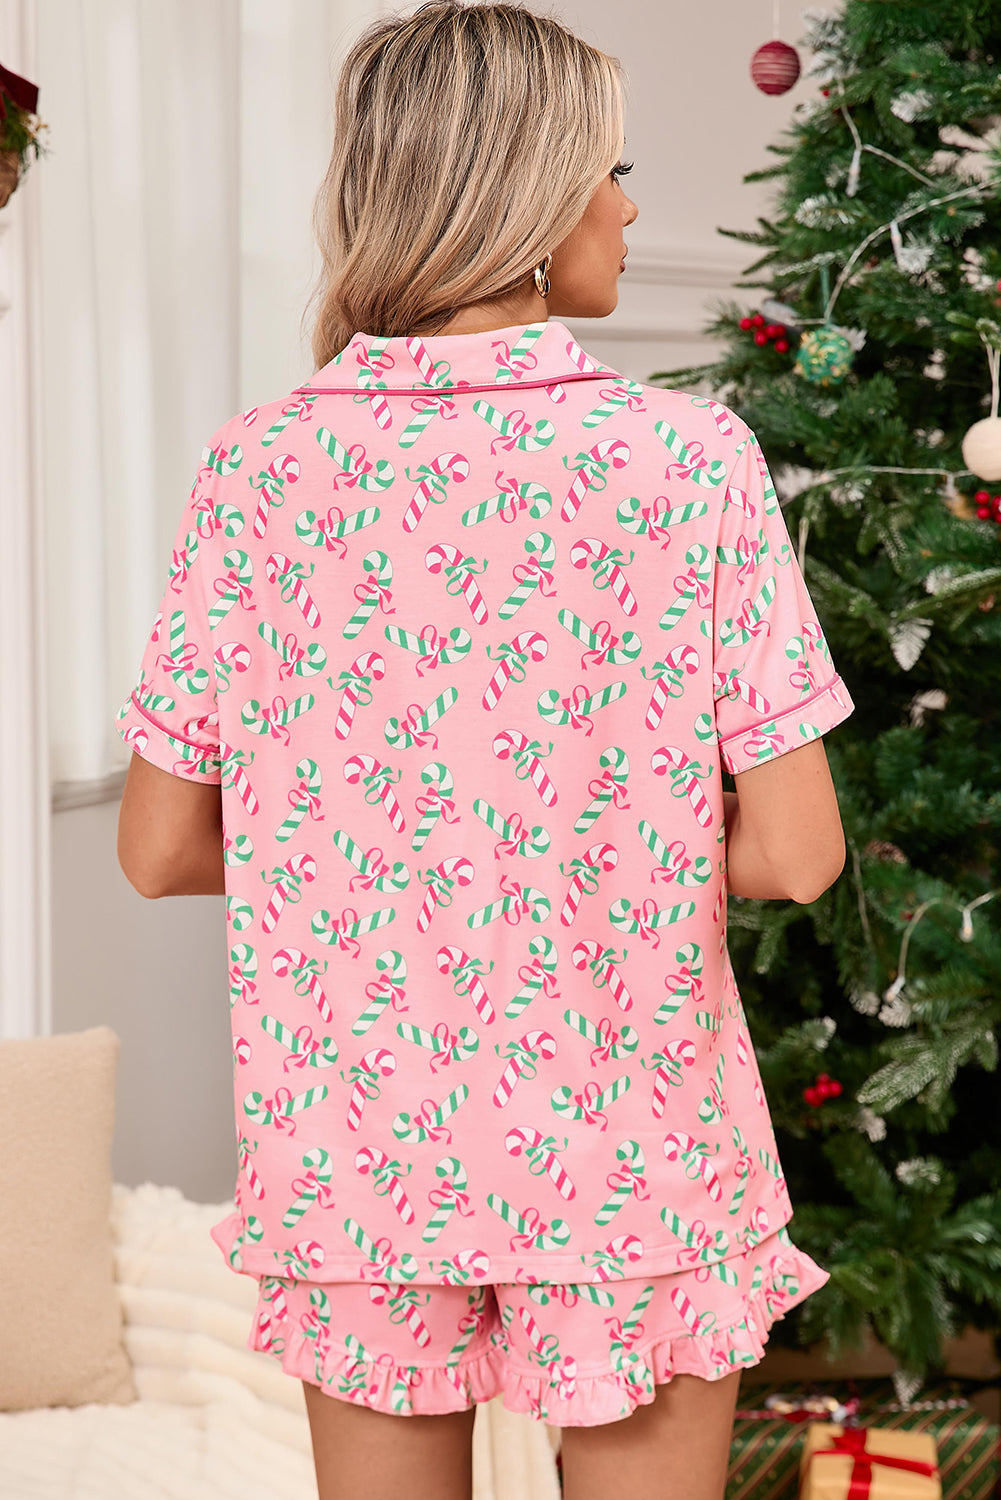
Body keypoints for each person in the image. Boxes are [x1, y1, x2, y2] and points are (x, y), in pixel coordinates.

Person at [115, 3, 855, 1498]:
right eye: (612, 170)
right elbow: (794, 855)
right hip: (628, 1143)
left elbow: (158, 848)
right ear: (530, 196)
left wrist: (390, 869)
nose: (630, 207)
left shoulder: (257, 468)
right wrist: (593, 853)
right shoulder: (683, 461)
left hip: (355, 1143)